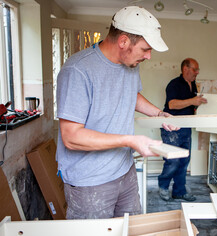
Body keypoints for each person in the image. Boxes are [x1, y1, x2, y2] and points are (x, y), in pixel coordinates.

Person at [56, 6, 178, 219]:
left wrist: (158, 113)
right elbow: (71, 137)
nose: (149, 56)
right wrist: (131, 141)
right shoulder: (77, 70)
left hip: (125, 171)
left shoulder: (130, 63)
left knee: (130, 231)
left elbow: (131, 95)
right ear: (123, 42)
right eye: (145, 49)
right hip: (90, 181)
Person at [158, 58, 207, 202]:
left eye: (198, 70)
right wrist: (193, 101)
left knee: (184, 160)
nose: (197, 72)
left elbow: (189, 104)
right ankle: (163, 186)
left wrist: (197, 104)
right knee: (173, 160)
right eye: (194, 69)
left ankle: (179, 191)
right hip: (171, 128)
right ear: (185, 69)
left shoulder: (192, 85)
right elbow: (172, 105)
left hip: (186, 127)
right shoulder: (174, 84)